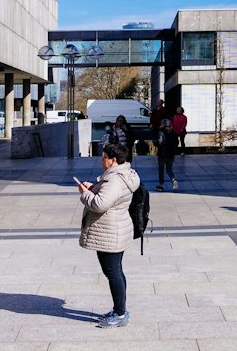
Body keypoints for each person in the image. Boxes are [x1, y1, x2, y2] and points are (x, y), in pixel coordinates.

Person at [76, 141, 142, 328]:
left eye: (104, 157)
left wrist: (84, 193)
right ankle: (120, 309)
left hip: (110, 232)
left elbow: (100, 204)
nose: (101, 161)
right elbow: (110, 196)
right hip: (117, 229)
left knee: (113, 273)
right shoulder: (125, 174)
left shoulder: (114, 179)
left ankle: (120, 314)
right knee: (116, 271)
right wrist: (94, 187)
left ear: (113, 160)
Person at [154, 108, 180, 190]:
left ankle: (161, 185)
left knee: (161, 170)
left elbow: (159, 143)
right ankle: (173, 180)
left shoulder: (161, 132)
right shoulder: (174, 133)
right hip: (171, 154)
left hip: (162, 153)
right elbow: (176, 143)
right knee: (169, 169)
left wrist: (155, 141)